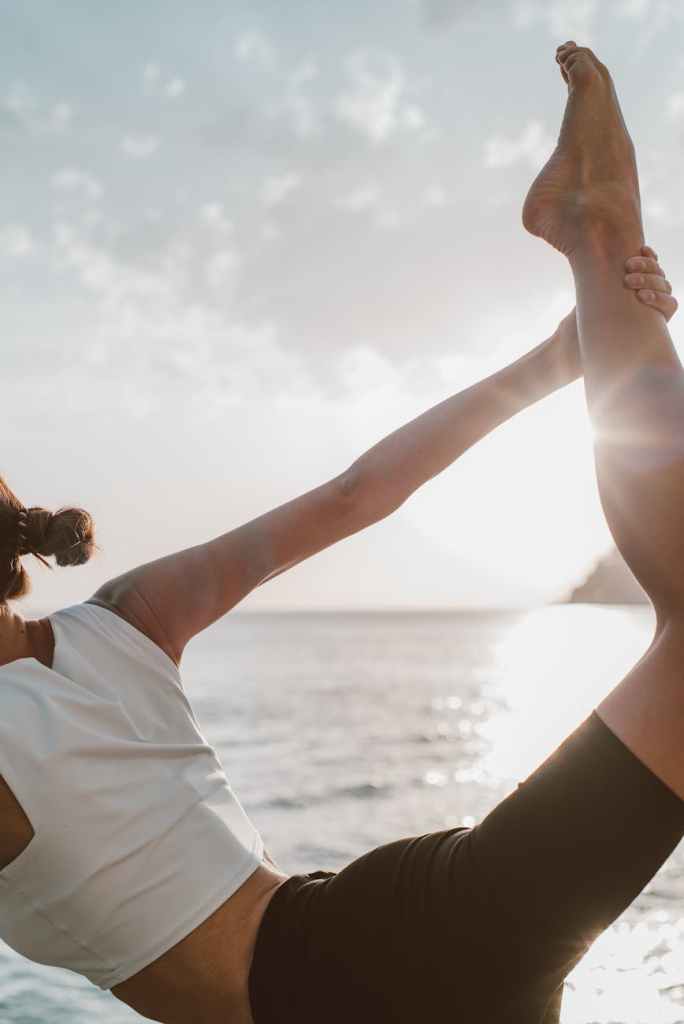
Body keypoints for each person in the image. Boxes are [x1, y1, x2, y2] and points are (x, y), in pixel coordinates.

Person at [0, 46, 679, 1024]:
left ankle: (596, 230)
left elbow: (360, 491)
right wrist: (561, 354)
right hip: (368, 937)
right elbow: (359, 492)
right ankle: (591, 244)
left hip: (372, 973)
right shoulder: (123, 620)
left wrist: (575, 341)